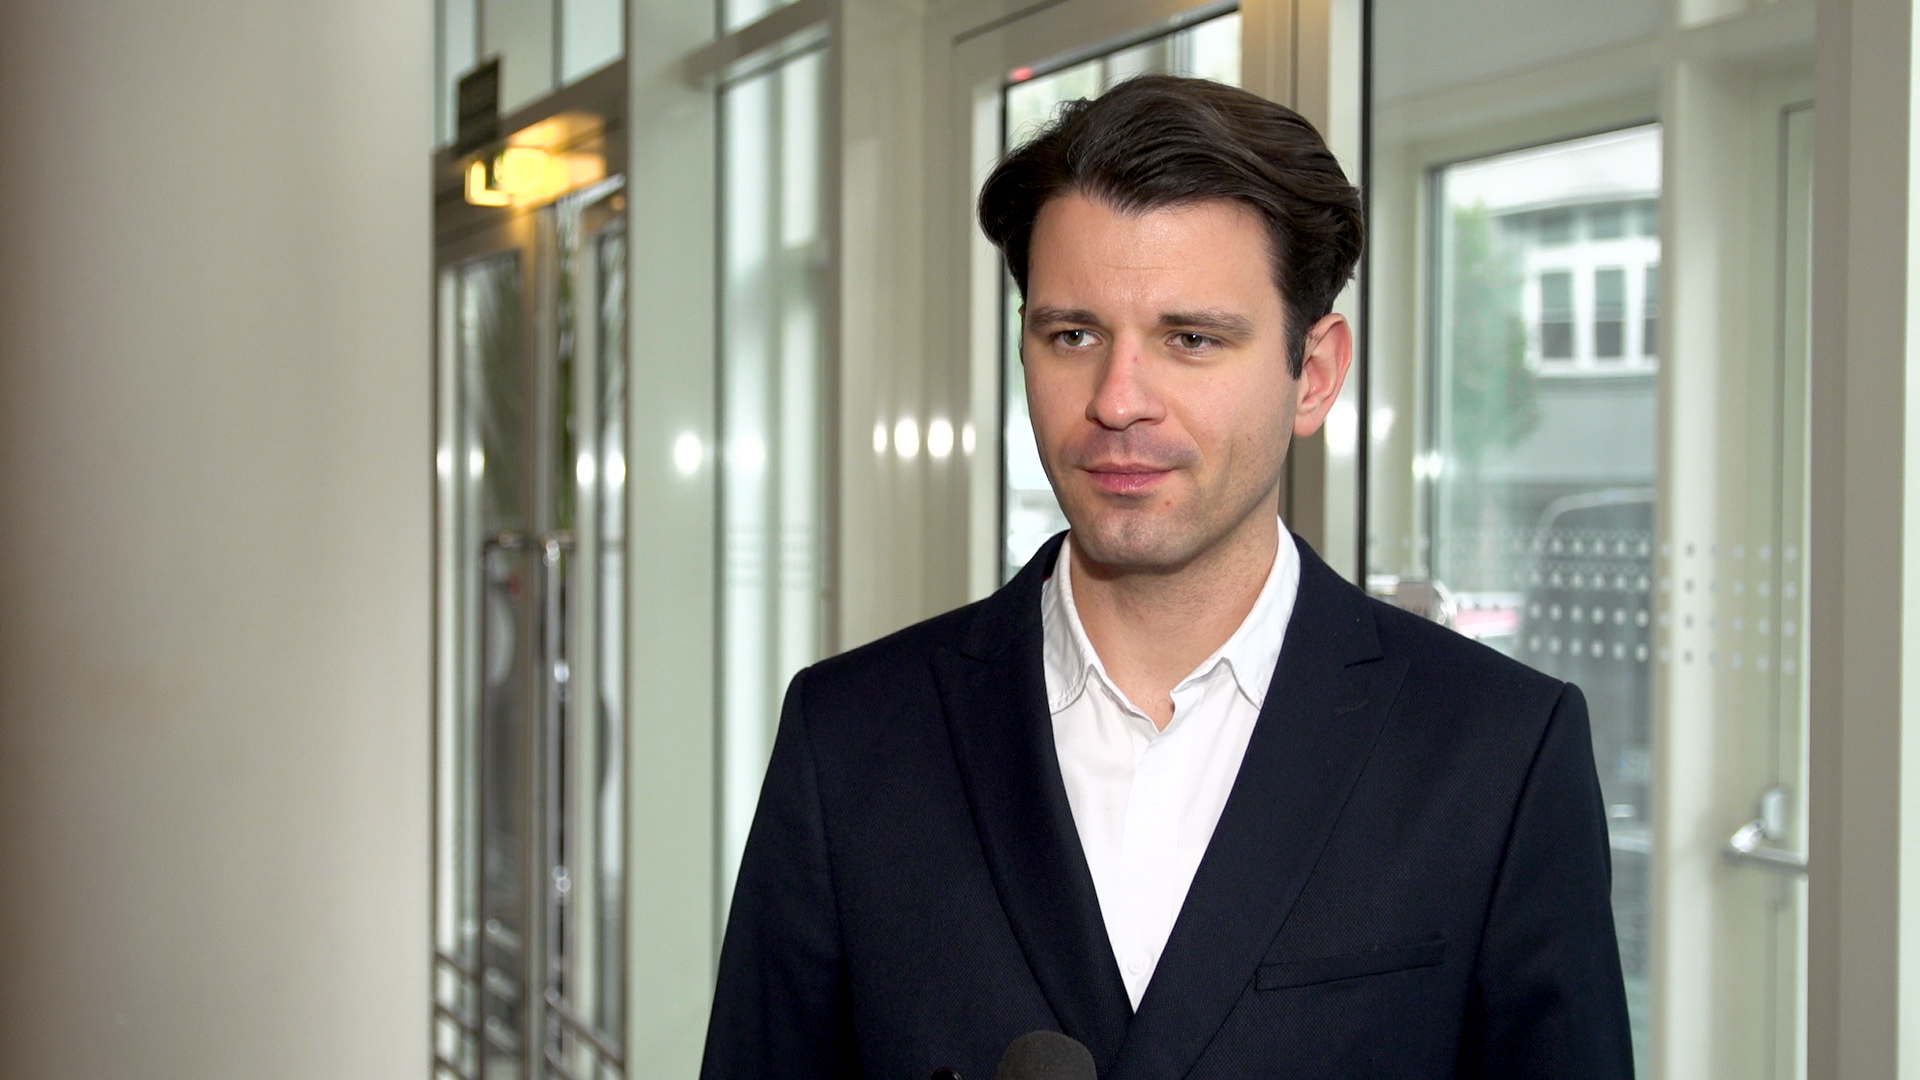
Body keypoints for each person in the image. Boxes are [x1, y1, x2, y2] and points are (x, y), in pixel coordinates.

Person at [701, 75, 1633, 1079]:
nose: (1117, 400)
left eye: (1191, 339)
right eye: (1072, 335)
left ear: (1314, 374)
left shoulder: (1496, 753)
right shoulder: (852, 737)